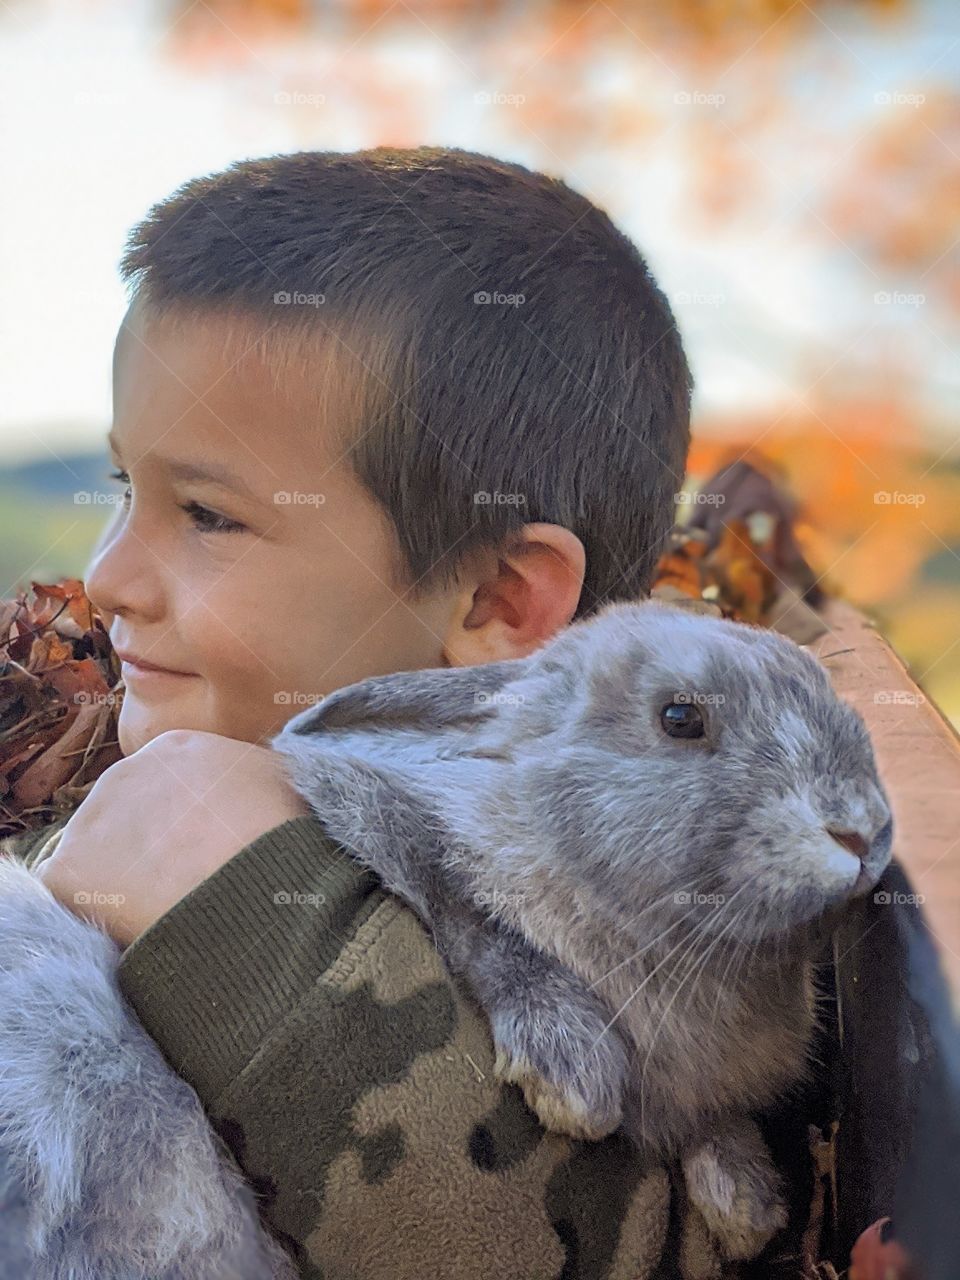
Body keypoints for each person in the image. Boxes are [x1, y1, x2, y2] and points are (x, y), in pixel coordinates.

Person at [17, 146, 695, 1278]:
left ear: (496, 601)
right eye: (126, 488)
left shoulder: (627, 907)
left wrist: (246, 911)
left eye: (207, 514)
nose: (108, 576)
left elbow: (626, 1248)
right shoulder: (165, 745)